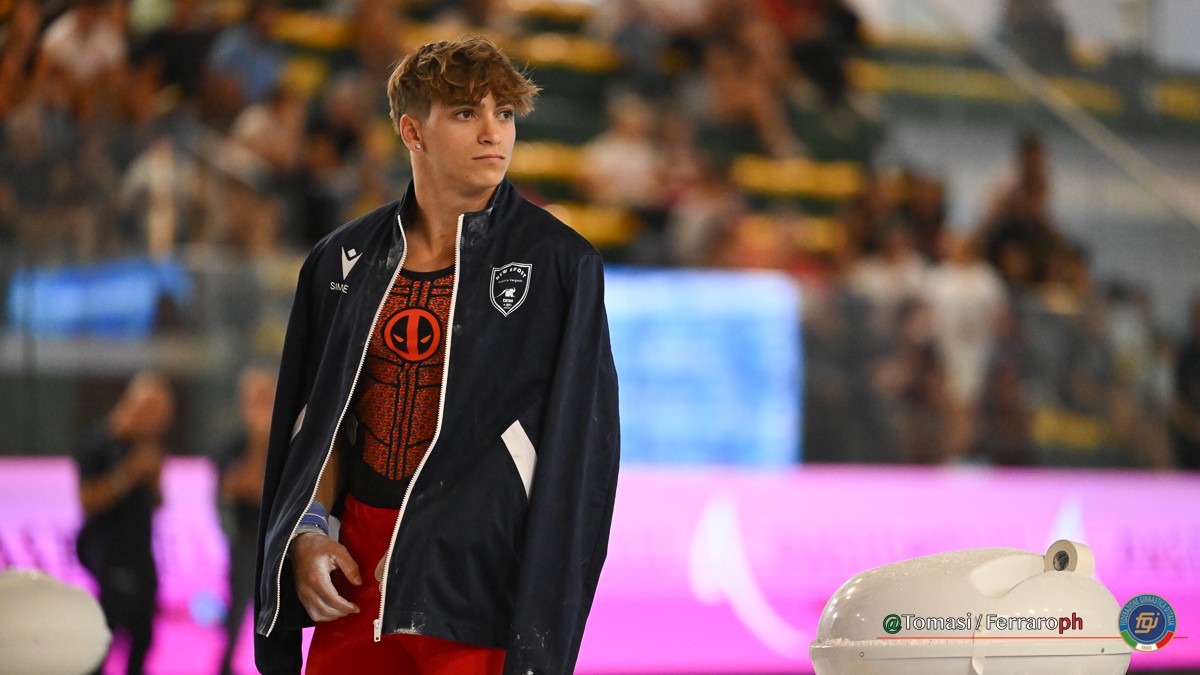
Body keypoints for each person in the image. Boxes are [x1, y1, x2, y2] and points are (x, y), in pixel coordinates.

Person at [253, 35, 621, 675]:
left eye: (504, 113)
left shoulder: (561, 266)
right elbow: (322, 422)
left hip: (477, 580)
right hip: (355, 571)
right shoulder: (341, 261)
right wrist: (308, 530)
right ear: (412, 131)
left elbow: (581, 457)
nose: (493, 132)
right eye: (465, 113)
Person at [74, 371, 175, 675]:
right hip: (109, 554)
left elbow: (158, 503)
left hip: (142, 553)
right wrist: (128, 474)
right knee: (102, 641)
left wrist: (153, 478)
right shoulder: (98, 442)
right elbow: (87, 500)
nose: (157, 423)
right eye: (153, 414)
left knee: (143, 639)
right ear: (134, 404)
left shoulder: (146, 445)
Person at [215, 367, 277, 675]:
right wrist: (257, 440)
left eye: (266, 397)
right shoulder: (233, 443)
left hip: (276, 541)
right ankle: (225, 666)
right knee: (237, 612)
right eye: (254, 398)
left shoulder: (287, 441)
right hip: (243, 538)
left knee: (275, 614)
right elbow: (246, 488)